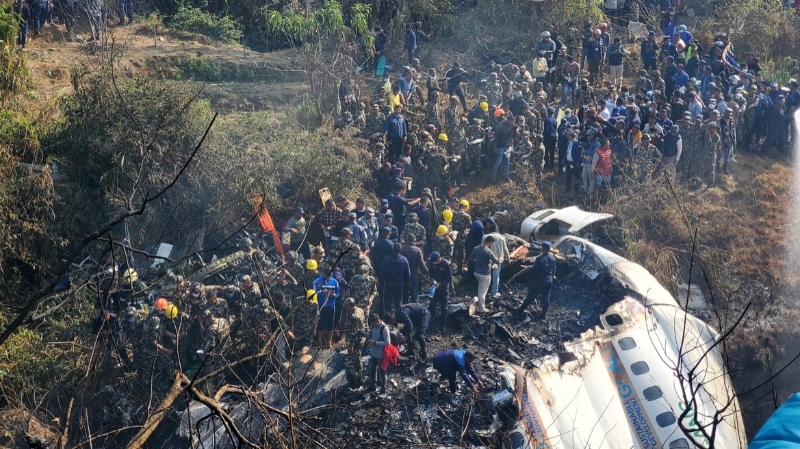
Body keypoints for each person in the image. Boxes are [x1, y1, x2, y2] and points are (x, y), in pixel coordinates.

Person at [510, 242, 557, 320]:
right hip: (549, 281)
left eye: (541, 247)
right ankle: (543, 314)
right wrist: (553, 275)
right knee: (546, 298)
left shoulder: (540, 259)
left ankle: (520, 310)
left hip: (540, 281)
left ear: (543, 248)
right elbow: (554, 268)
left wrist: (531, 272)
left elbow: (534, 271)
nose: (540, 248)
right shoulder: (553, 258)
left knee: (531, 296)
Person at [469, 235, 499, 314]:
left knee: (480, 289)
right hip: (484, 275)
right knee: (482, 293)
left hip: (476, 272)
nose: (492, 245)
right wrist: (501, 258)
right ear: (490, 242)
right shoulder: (488, 251)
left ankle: (478, 304)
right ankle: (481, 309)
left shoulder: (476, 248)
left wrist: (479, 261)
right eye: (492, 243)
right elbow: (497, 261)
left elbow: (471, 259)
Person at [362, 313, 391, 394]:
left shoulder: (384, 328)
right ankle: (372, 387)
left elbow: (387, 342)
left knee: (382, 373)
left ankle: (383, 390)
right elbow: (370, 335)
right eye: (371, 323)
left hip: (381, 355)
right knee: (372, 371)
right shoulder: (372, 326)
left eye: (373, 323)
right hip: (373, 353)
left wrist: (375, 343)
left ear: (378, 321)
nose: (372, 325)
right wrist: (362, 334)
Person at [379, 243, 411, 312]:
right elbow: (408, 274)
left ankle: (388, 317)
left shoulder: (386, 259)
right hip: (400, 284)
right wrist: (407, 283)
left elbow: (382, 273)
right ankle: (398, 318)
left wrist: (381, 283)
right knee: (399, 302)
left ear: (393, 249)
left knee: (387, 302)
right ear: (401, 250)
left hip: (388, 284)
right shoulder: (404, 260)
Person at [312, 270, 340, 349]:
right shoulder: (317, 281)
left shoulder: (334, 281)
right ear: (323, 273)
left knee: (330, 325)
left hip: (331, 306)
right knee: (320, 324)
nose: (328, 278)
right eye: (326, 276)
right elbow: (314, 292)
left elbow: (338, 292)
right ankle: (320, 342)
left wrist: (333, 295)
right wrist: (322, 292)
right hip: (320, 305)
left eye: (329, 277)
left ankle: (328, 341)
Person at [428, 251, 452, 330]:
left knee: (444, 307)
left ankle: (443, 325)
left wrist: (441, 284)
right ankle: (430, 322)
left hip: (443, 289)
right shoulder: (432, 263)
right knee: (431, 305)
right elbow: (430, 272)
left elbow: (449, 278)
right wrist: (431, 279)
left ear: (438, 259)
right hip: (434, 287)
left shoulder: (446, 264)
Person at [401, 235, 428, 302]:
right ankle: (414, 306)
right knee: (414, 291)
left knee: (404, 292)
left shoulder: (402, 248)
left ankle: (405, 306)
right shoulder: (417, 250)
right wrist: (427, 271)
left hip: (403, 273)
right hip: (414, 272)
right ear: (414, 240)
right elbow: (421, 264)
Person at [491, 114, 517, 182]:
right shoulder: (501, 127)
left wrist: (517, 129)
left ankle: (506, 176)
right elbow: (496, 137)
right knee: (498, 162)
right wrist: (495, 147)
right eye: (512, 121)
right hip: (500, 147)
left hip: (507, 147)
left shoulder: (511, 126)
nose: (513, 123)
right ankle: (493, 175)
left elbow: (517, 127)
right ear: (509, 121)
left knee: (507, 162)